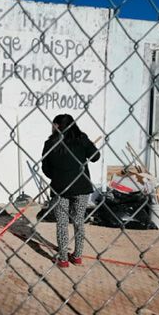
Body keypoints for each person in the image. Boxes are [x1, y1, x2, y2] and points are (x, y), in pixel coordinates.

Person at [41, 114, 100, 268]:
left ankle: (63, 259)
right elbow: (95, 157)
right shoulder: (82, 139)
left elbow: (45, 169)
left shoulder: (50, 143)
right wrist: (88, 147)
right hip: (81, 187)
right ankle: (78, 256)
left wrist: (59, 175)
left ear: (58, 126)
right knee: (79, 220)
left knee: (62, 223)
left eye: (53, 124)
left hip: (60, 188)